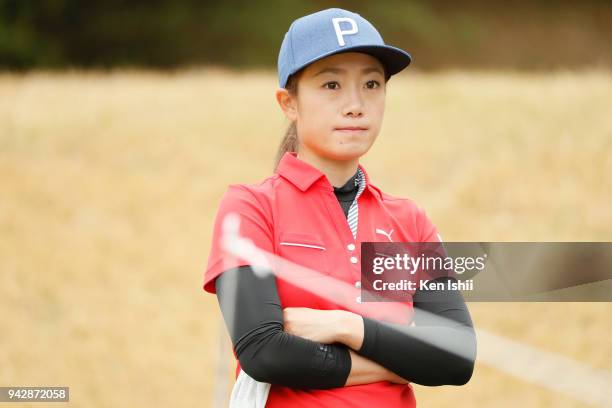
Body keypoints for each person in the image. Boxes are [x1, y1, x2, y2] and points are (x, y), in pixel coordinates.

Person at [203, 8, 476, 407]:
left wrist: (346, 326)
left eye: (371, 84)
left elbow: (457, 356)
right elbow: (264, 352)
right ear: (289, 103)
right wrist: (402, 360)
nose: (355, 105)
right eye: (331, 84)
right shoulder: (250, 207)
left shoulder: (409, 220)